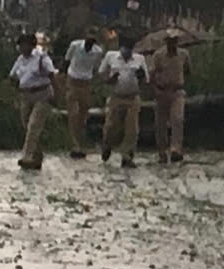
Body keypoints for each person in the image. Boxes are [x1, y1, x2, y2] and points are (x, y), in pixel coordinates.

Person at [99, 36, 149, 168]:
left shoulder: (139, 59)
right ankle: (107, 144)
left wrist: (141, 76)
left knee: (132, 128)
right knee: (111, 125)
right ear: (120, 48)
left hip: (132, 97)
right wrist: (111, 79)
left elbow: (145, 82)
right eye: (125, 49)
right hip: (116, 96)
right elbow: (102, 75)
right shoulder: (111, 57)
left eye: (129, 49)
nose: (127, 52)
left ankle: (127, 155)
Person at [9, 34, 57, 170]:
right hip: (25, 95)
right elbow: (12, 76)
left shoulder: (42, 58)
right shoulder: (20, 59)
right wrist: (14, 93)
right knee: (26, 125)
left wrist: (56, 96)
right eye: (20, 45)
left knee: (33, 125)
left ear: (32, 45)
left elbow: (52, 76)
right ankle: (37, 156)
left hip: (42, 94)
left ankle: (27, 156)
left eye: (24, 45)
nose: (21, 48)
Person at [151, 29, 191, 163]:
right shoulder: (158, 55)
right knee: (160, 124)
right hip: (162, 91)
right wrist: (155, 89)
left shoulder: (184, 54)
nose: (172, 44)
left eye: (175, 41)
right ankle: (162, 151)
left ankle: (175, 149)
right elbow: (152, 74)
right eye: (170, 41)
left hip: (177, 91)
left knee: (178, 119)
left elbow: (188, 71)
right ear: (166, 42)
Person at [63, 26, 104, 159]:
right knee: (73, 112)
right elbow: (67, 61)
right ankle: (75, 144)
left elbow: (96, 68)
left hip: (86, 83)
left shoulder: (98, 52)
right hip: (73, 80)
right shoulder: (75, 45)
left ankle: (78, 139)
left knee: (83, 113)